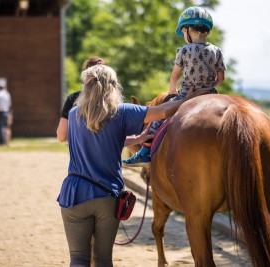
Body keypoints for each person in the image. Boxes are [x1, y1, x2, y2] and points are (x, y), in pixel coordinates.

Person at [57, 64, 203, 267]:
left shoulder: (73, 114)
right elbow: (163, 111)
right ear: (114, 86)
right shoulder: (122, 112)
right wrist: (188, 98)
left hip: (74, 194)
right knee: (103, 259)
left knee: (78, 258)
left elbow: (95, 138)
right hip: (107, 195)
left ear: (86, 87)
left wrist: (136, 138)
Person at [123, 6, 226, 166]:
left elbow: (175, 75)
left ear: (188, 30)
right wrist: (209, 88)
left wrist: (172, 91)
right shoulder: (216, 51)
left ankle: (144, 152)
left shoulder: (183, 50)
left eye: (184, 31)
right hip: (210, 94)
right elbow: (221, 78)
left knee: (157, 120)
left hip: (186, 95)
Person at [57, 56, 107, 142]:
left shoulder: (73, 99)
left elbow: (61, 136)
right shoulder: (115, 101)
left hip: (81, 154)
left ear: (85, 75)